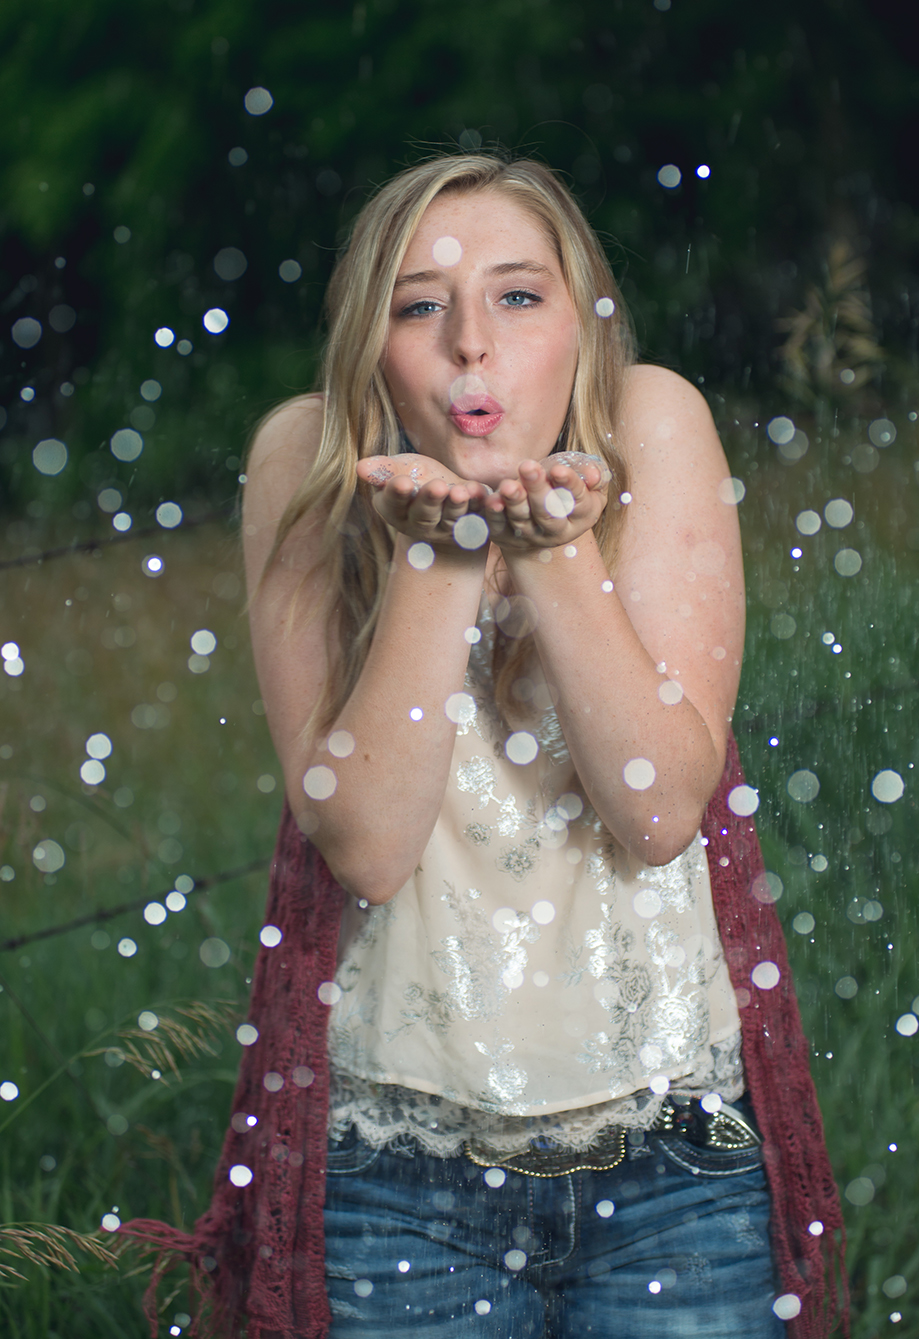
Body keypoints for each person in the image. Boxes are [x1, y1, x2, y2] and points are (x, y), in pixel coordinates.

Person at [122, 153, 846, 1338]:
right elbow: (366, 845)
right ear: (371, 346)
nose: (471, 342)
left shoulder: (650, 421)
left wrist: (554, 550)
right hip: (394, 1178)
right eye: (420, 305)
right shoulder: (306, 457)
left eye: (516, 295)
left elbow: (658, 808)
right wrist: (440, 555)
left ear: (582, 322)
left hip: (680, 1153)